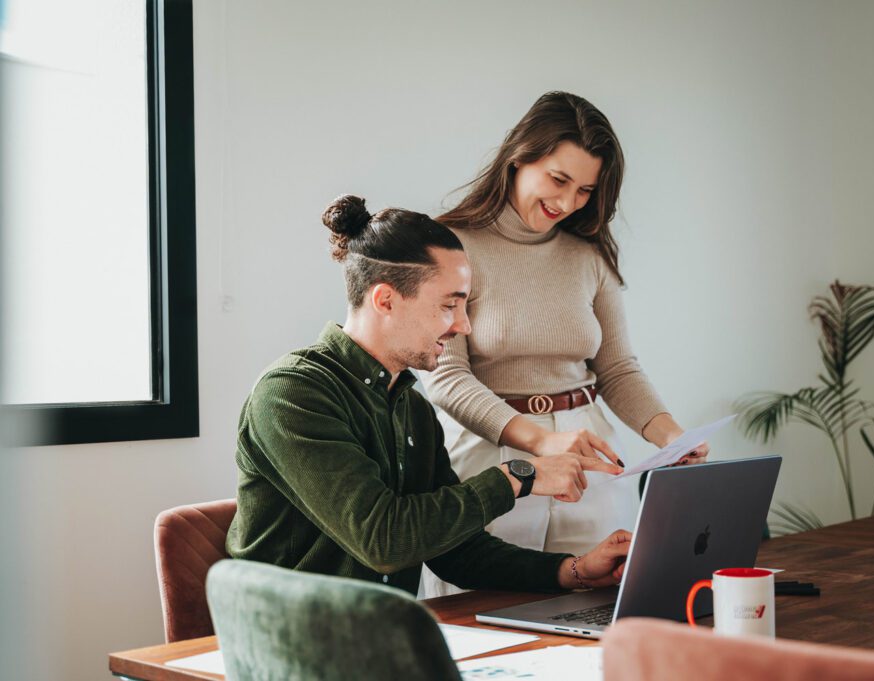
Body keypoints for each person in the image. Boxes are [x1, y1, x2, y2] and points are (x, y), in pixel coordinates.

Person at [226, 194, 631, 596]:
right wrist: (518, 478)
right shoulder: (292, 394)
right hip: (288, 643)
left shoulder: (412, 408)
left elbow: (458, 552)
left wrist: (574, 570)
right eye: (448, 306)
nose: (463, 326)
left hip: (378, 638)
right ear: (385, 299)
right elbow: (383, 540)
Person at [419, 92, 708, 598]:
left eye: (585, 190)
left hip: (590, 454)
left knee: (602, 603)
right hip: (488, 453)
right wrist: (540, 442)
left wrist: (671, 438)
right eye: (558, 179)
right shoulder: (449, 244)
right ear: (519, 156)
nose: (568, 202)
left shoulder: (587, 254)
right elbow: (446, 377)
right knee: (478, 613)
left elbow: (617, 367)